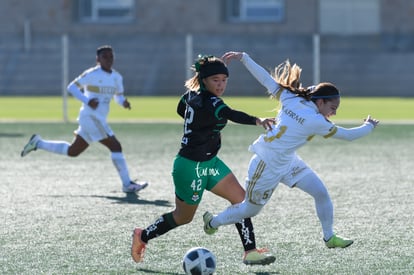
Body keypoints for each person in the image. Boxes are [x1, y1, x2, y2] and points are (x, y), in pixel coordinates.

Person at [203, 51, 380, 249]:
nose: (334, 112)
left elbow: (265, 79)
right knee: (250, 210)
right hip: (266, 163)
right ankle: (213, 222)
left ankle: (329, 238)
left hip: (287, 161)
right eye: (333, 107)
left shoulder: (291, 97)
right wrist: (369, 126)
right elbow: (348, 136)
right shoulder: (315, 120)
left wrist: (244, 57)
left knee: (320, 192)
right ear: (320, 102)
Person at [131, 55, 276, 265]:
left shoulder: (191, 95)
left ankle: (250, 251)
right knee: (183, 217)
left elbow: (181, 108)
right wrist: (257, 120)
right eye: (215, 80)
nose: (221, 84)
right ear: (205, 80)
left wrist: (200, 126)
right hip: (189, 166)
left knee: (242, 201)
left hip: (210, 163)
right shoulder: (212, 102)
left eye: (224, 80)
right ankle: (142, 236)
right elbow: (230, 114)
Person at [20, 45, 148, 193]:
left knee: (73, 151)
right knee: (115, 146)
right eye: (104, 57)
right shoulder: (91, 74)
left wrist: (123, 102)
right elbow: (72, 87)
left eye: (111, 56)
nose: (108, 59)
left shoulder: (117, 77)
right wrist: (87, 101)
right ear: (97, 59)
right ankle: (127, 184)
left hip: (98, 119)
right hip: (90, 117)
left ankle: (38, 143)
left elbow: (118, 96)